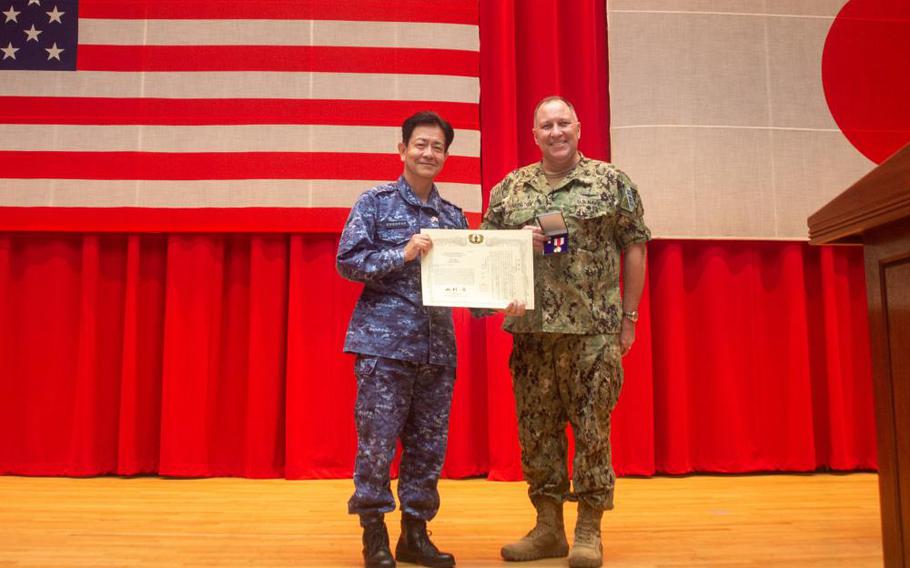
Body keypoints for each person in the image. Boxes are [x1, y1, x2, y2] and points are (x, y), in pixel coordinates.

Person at [480, 96, 650, 568]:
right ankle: (548, 528)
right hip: (532, 334)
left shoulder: (611, 182)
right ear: (534, 135)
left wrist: (629, 319)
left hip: (593, 332)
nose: (555, 132)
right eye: (546, 125)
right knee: (537, 432)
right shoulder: (510, 189)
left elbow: (635, 246)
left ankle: (589, 530)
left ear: (578, 128)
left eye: (563, 123)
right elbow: (484, 246)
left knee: (593, 430)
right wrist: (515, 242)